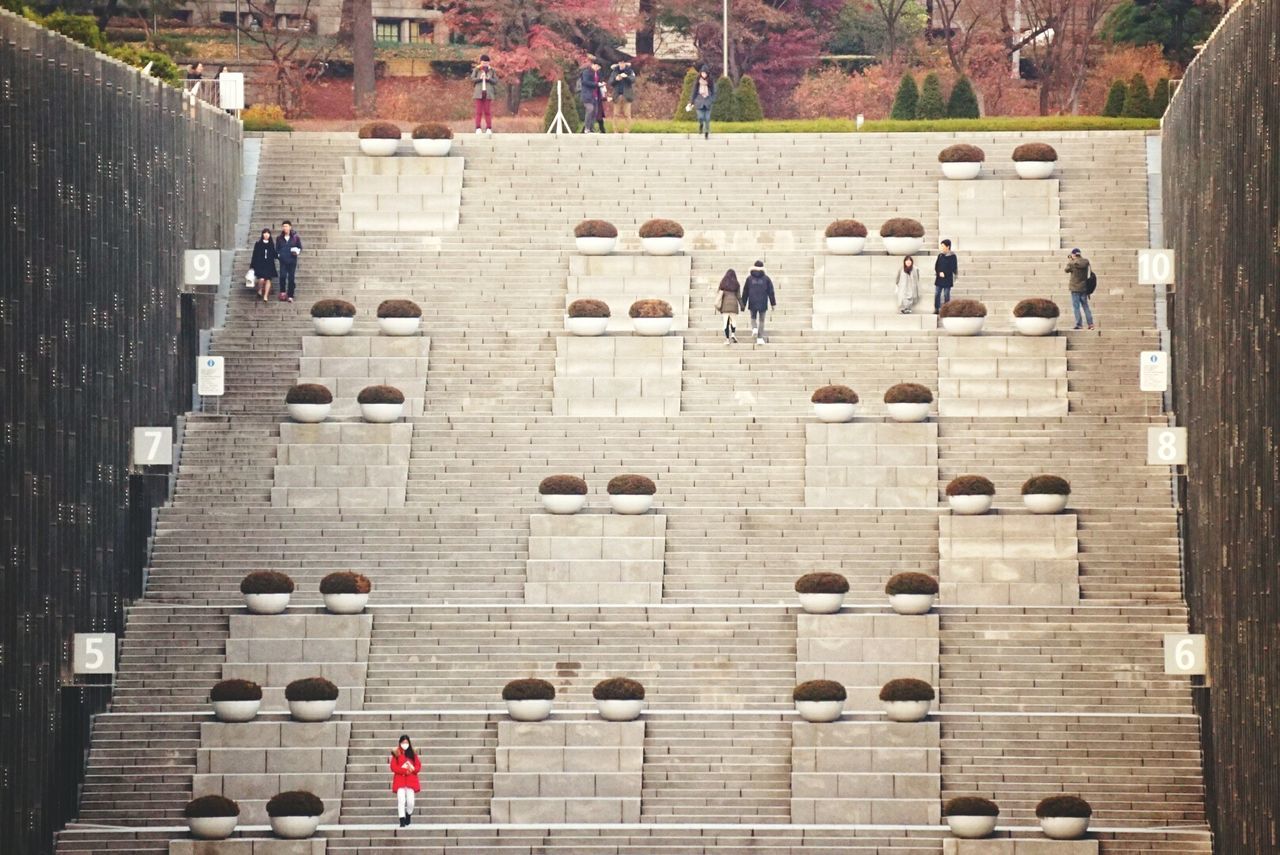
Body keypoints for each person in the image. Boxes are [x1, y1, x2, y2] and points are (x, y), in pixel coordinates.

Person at [389, 734, 421, 827]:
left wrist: (413, 769)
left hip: (411, 781)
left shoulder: (413, 754)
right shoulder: (396, 753)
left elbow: (418, 766)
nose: (405, 744)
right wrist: (404, 770)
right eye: (403, 742)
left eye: (406, 742)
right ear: (400, 743)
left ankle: (408, 814)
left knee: (411, 802)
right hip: (400, 781)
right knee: (401, 800)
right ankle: (402, 820)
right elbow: (393, 767)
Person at [741, 260, 776, 345]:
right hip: (763, 301)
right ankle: (760, 338)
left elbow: (745, 291)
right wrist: (773, 303)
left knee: (753, 317)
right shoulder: (766, 279)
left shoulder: (749, 278)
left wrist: (743, 303)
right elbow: (771, 291)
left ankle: (754, 329)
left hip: (752, 301)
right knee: (762, 320)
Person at [1065, 248, 1095, 329]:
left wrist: (1070, 260)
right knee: (1086, 307)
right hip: (1084, 288)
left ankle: (1079, 324)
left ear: (1074, 254)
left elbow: (1066, 270)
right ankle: (1091, 324)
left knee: (1076, 307)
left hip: (1075, 289)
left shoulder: (1072, 263)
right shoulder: (1086, 262)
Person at [275, 220, 303, 303]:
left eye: (286, 226)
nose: (285, 228)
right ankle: (283, 293)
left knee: (291, 278)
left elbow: (300, 247)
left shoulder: (295, 237)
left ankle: (290, 295)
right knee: (282, 276)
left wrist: (297, 251)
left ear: (290, 227)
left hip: (292, 260)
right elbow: (277, 249)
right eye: (283, 226)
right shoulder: (279, 238)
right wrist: (279, 255)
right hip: (283, 261)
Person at [250, 227, 278, 303]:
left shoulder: (271, 244)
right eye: (265, 233)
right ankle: (259, 290)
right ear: (262, 234)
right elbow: (254, 255)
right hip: (260, 264)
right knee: (261, 279)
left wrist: (279, 255)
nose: (266, 235)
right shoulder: (258, 244)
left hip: (269, 264)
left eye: (268, 233)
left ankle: (265, 295)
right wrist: (252, 266)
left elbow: (274, 254)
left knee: (268, 279)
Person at [608, 60, 637, 133]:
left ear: (625, 64)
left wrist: (626, 77)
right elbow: (610, 82)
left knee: (627, 114)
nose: (622, 64)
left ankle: (627, 131)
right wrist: (616, 79)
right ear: (618, 63)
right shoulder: (614, 72)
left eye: (623, 63)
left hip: (626, 96)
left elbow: (633, 80)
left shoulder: (630, 71)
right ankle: (615, 131)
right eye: (620, 63)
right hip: (617, 96)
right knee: (616, 114)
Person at [579, 57, 607, 134]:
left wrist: (601, 84)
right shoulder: (586, 72)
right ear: (593, 64)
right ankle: (587, 128)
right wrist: (597, 84)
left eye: (599, 68)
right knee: (590, 109)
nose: (597, 69)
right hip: (587, 95)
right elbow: (585, 82)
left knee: (595, 112)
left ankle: (591, 128)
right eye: (597, 67)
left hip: (595, 96)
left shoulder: (597, 73)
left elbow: (599, 81)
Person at [688, 68, 717, 139]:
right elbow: (694, 92)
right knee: (700, 117)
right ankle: (701, 125)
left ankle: (706, 132)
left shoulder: (710, 81)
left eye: (705, 73)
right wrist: (691, 102)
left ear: (707, 74)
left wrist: (712, 99)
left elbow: (714, 91)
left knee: (707, 118)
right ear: (700, 73)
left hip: (707, 101)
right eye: (702, 73)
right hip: (699, 101)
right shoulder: (698, 82)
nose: (704, 75)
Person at [472, 55, 497, 135]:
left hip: (488, 93)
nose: (485, 64)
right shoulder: (477, 69)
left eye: (486, 62)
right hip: (478, 93)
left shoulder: (492, 70)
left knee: (487, 111)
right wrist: (480, 78)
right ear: (481, 62)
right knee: (478, 112)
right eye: (483, 62)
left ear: (488, 62)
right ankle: (478, 128)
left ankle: (489, 128)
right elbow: (472, 79)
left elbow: (495, 81)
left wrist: (488, 78)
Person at [716, 269, 741, 343]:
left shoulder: (723, 283)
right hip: (734, 306)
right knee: (733, 321)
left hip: (725, 306)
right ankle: (733, 334)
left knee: (725, 322)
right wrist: (742, 305)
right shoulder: (736, 284)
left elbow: (718, 293)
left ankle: (727, 339)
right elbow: (739, 296)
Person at [933, 238, 957, 312]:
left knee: (946, 294)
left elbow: (953, 268)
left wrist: (945, 273)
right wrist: (939, 272)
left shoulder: (953, 256)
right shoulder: (940, 255)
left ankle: (946, 309)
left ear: (948, 246)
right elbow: (936, 266)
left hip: (948, 279)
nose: (941, 247)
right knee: (937, 294)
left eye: (943, 246)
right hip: (939, 279)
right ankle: (936, 308)